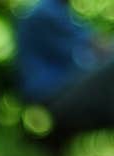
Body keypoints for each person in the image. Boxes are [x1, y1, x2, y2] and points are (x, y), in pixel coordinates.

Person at [15, 0, 114, 132]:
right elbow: (96, 45)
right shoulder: (46, 12)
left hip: (59, 90)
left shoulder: (57, 11)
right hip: (50, 96)